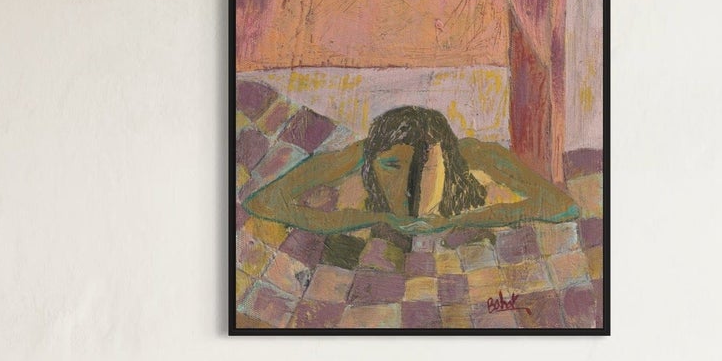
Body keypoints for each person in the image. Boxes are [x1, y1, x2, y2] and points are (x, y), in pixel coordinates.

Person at [244, 104, 577, 236]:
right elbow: (262, 202)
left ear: (449, 163)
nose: (410, 186)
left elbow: (563, 205)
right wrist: (375, 218)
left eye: (427, 166)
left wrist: (461, 221)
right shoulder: (359, 155)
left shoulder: (477, 156)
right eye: (393, 166)